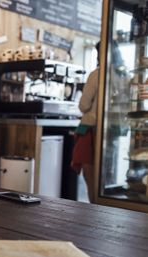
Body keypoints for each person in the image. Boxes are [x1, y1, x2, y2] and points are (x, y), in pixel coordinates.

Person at [71, 42, 100, 203]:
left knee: (92, 181)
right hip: (112, 132)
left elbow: (83, 105)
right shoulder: (121, 75)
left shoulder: (96, 74)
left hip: (91, 131)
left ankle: (94, 216)